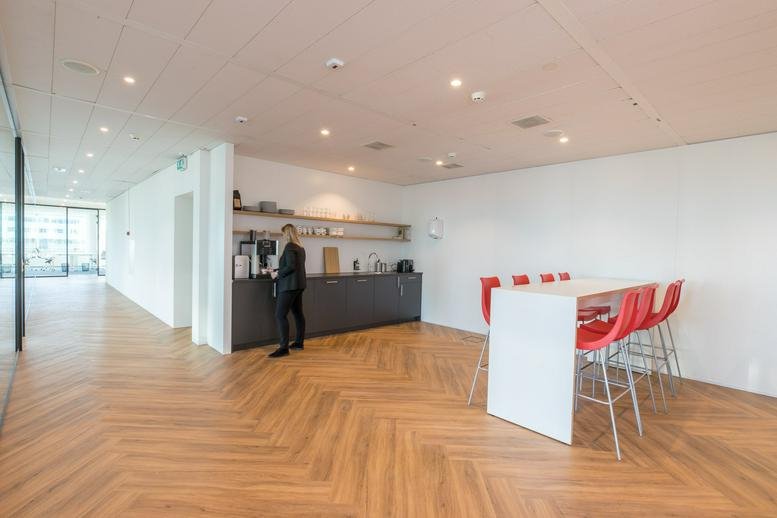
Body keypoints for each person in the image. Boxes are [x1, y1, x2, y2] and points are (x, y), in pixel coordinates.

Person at [268, 224, 306, 357]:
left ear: (287, 234)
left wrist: (277, 274)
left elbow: (291, 267)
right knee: (298, 314)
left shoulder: (289, 246)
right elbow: (293, 266)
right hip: (299, 285)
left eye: (283, 233)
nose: (282, 236)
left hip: (289, 286)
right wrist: (275, 270)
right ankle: (299, 343)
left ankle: (283, 348)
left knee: (280, 315)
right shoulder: (300, 247)